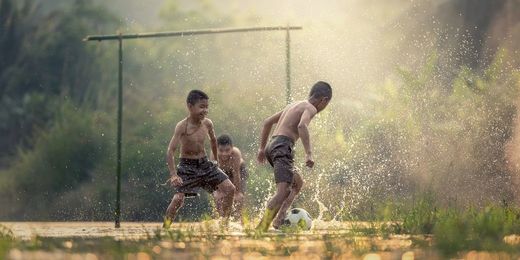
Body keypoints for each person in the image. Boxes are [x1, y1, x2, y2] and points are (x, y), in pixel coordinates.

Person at [256, 81, 332, 231]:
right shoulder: (310, 108)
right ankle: (260, 230)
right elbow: (302, 126)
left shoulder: (294, 105)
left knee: (297, 183)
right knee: (283, 191)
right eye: (326, 104)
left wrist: (261, 148)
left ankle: (278, 221)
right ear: (324, 100)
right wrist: (309, 153)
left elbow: (267, 123)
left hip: (273, 145)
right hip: (283, 146)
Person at [163, 90, 236, 229]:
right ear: (190, 106)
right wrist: (173, 175)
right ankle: (165, 229)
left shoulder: (208, 123)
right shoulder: (182, 126)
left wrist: (216, 162)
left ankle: (224, 224)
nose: (205, 110)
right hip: (187, 166)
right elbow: (170, 151)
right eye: (201, 107)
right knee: (178, 199)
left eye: (207, 107)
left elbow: (214, 141)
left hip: (205, 164)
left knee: (230, 188)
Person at [213, 134, 248, 220]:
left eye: (227, 150)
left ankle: (238, 217)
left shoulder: (236, 153)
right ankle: (222, 219)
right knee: (218, 196)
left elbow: (236, 173)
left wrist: (237, 192)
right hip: (222, 172)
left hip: (239, 170)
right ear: (217, 149)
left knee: (238, 197)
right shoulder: (214, 155)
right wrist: (218, 191)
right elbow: (215, 175)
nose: (224, 153)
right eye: (221, 150)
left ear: (232, 148)